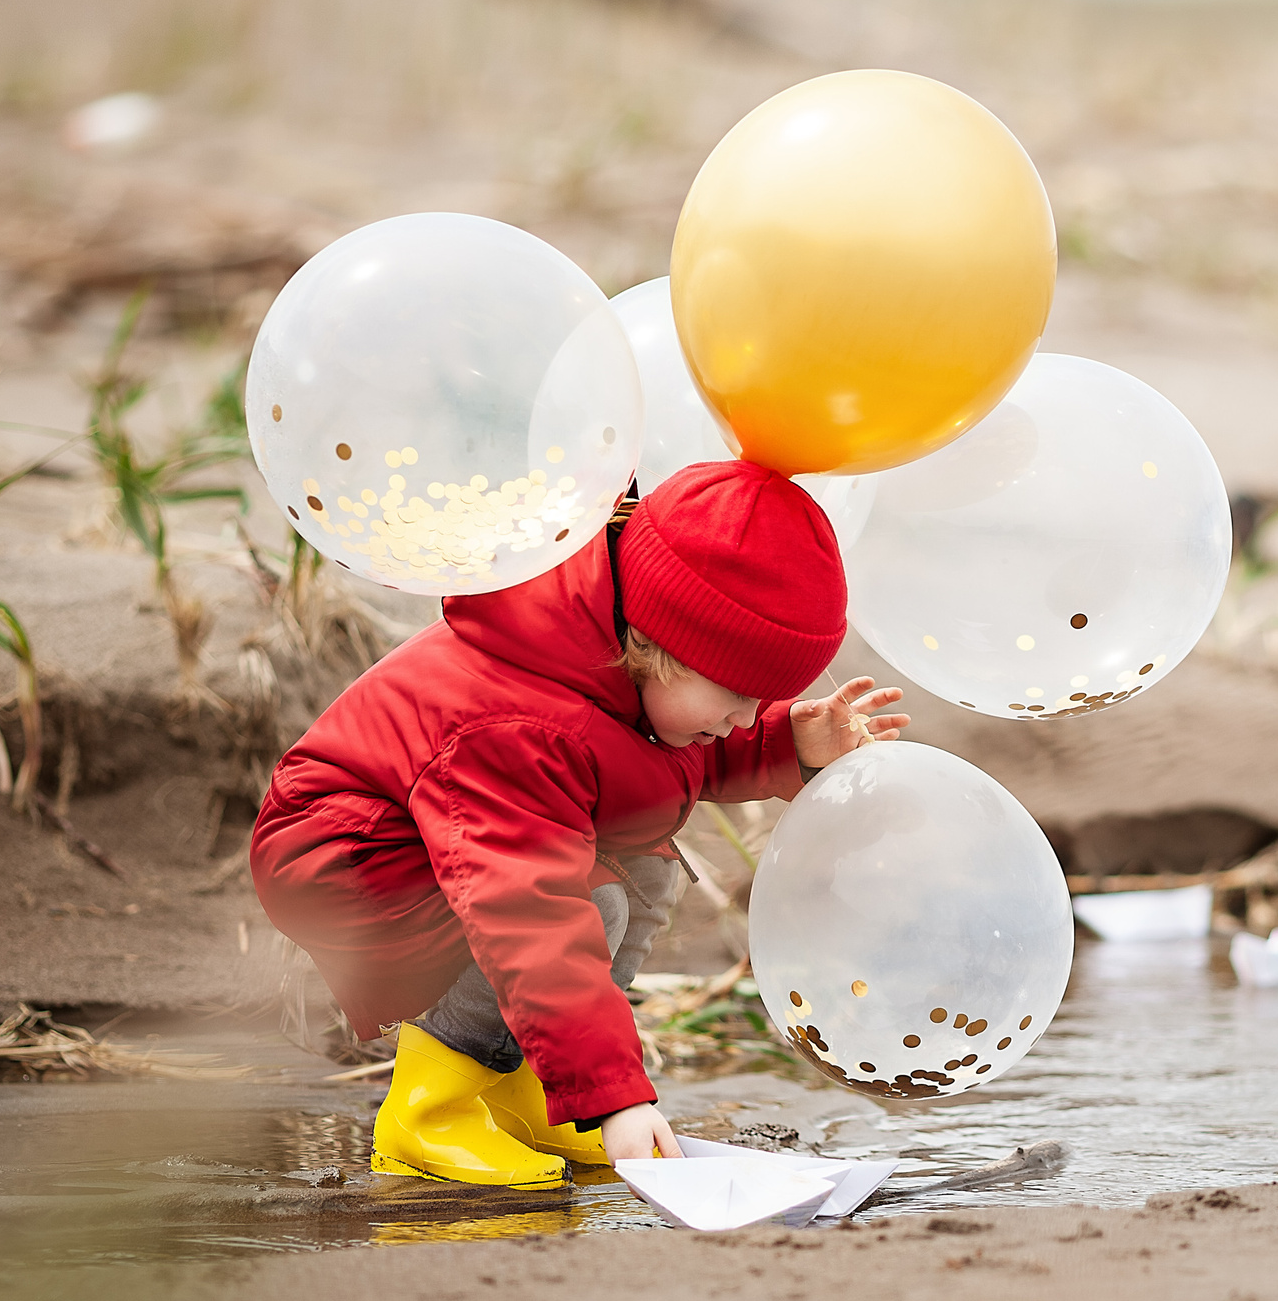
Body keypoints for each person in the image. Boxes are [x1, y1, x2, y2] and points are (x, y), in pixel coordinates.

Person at [250, 460, 907, 1189]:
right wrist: (619, 1096)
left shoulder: (626, 666)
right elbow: (526, 917)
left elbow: (665, 758)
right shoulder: (518, 722)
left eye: (764, 701)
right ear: (662, 646)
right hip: (343, 854)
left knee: (649, 872)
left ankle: (531, 1095)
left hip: (441, 833)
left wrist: (789, 743)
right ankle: (428, 1111)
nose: (745, 718)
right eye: (738, 695)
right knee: (587, 903)